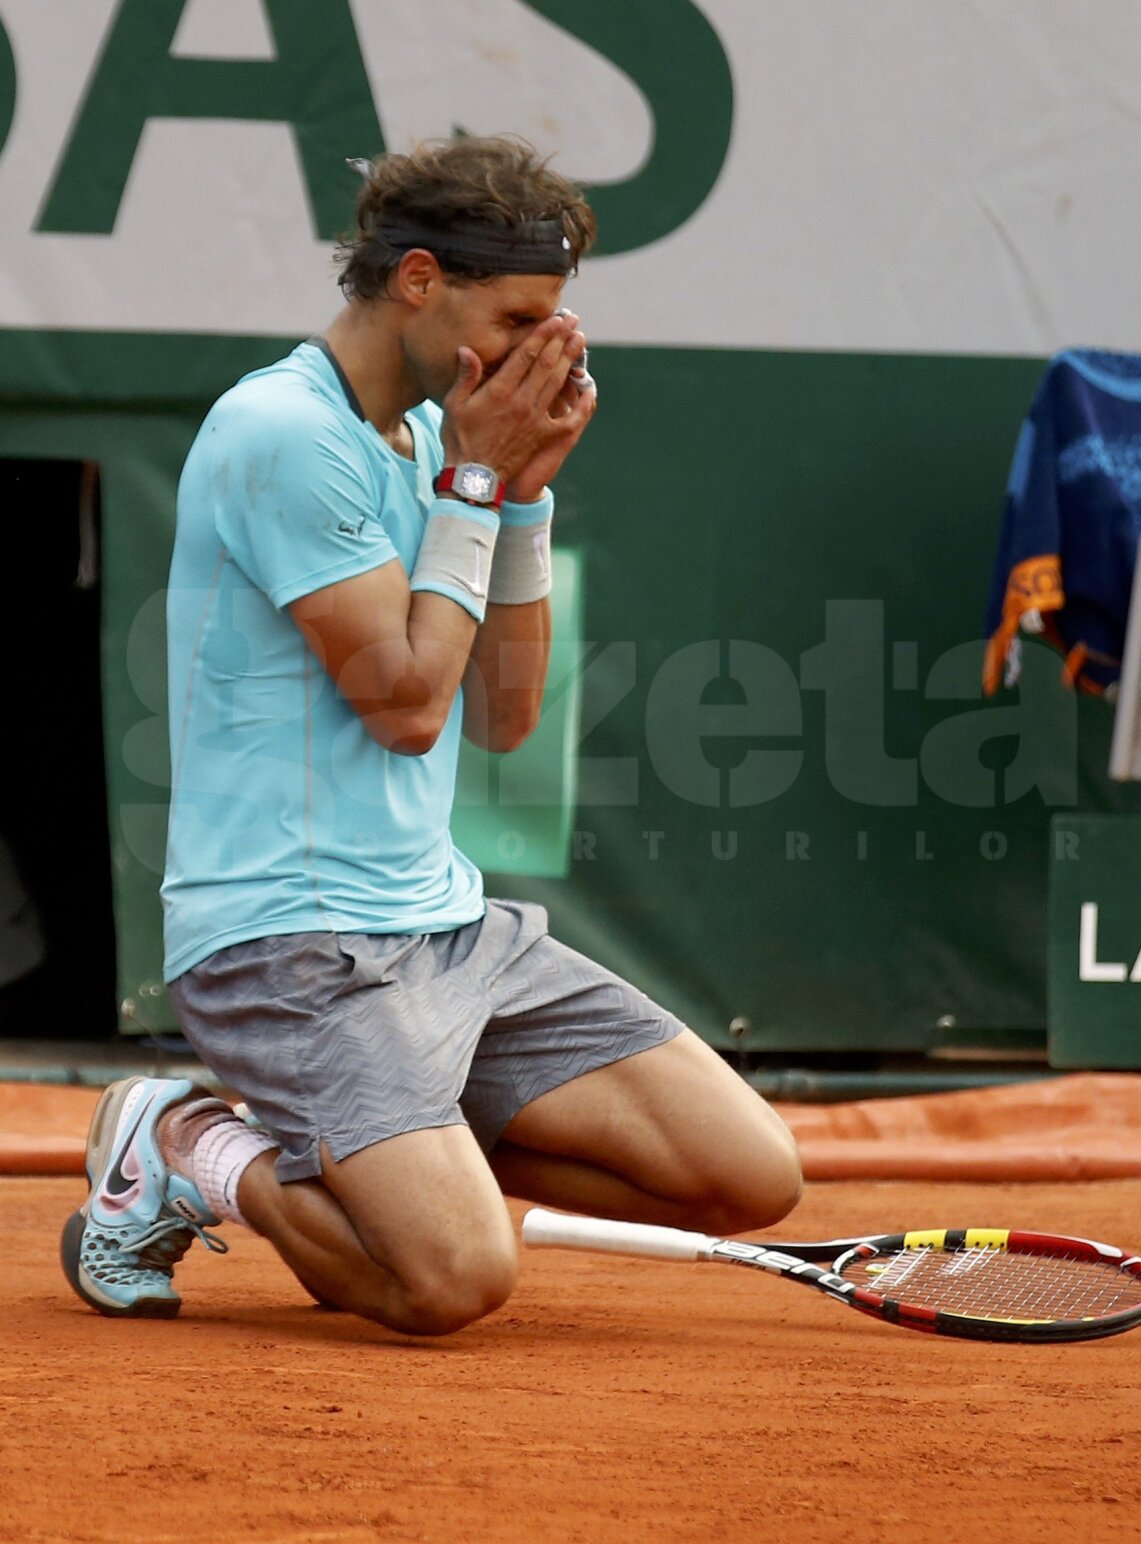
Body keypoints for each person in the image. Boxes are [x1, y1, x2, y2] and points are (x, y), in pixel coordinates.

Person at [61, 136, 802, 1333]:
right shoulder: (281, 432)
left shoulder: (437, 445)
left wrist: (519, 496)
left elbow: (505, 715)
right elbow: (408, 709)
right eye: (517, 317)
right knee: (452, 1279)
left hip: (447, 928)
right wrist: (473, 488)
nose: (542, 351)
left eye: (557, 321)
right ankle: (182, 1135)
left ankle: (401, 1150)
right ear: (418, 280)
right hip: (287, 944)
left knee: (747, 1174)